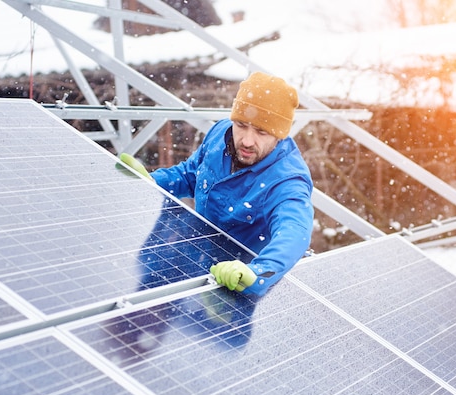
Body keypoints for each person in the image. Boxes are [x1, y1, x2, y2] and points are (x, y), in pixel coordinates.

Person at [120, 71, 314, 296]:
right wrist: (152, 181)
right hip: (196, 259)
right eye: (241, 124)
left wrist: (258, 271)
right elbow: (190, 175)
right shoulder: (220, 134)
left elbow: (295, 232)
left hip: (236, 287)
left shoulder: (288, 180)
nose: (247, 141)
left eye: (262, 131)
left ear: (279, 135)